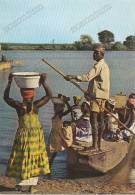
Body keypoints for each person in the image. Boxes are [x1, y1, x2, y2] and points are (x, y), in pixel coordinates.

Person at [3, 73, 52, 193]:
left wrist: (9, 82)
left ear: (21, 94)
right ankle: (30, 187)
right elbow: (49, 95)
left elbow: (6, 98)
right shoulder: (36, 106)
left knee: (22, 158)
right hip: (35, 137)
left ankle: (20, 185)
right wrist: (44, 82)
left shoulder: (19, 106)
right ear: (33, 94)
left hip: (23, 137)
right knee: (34, 159)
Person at [65, 44, 110, 151]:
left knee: (93, 119)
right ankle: (98, 144)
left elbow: (87, 77)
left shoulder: (98, 65)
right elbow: (98, 84)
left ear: (102, 54)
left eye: (96, 52)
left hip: (97, 97)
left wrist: (72, 76)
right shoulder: (105, 65)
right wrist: (89, 93)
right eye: (94, 52)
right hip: (102, 96)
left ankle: (95, 146)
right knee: (101, 119)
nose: (94, 54)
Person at [48, 95, 73, 166]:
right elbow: (70, 109)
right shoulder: (59, 114)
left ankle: (50, 163)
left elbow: (67, 109)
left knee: (55, 151)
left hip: (54, 133)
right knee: (66, 145)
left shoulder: (57, 114)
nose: (63, 107)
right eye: (62, 106)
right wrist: (66, 102)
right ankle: (50, 164)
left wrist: (64, 101)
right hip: (57, 134)